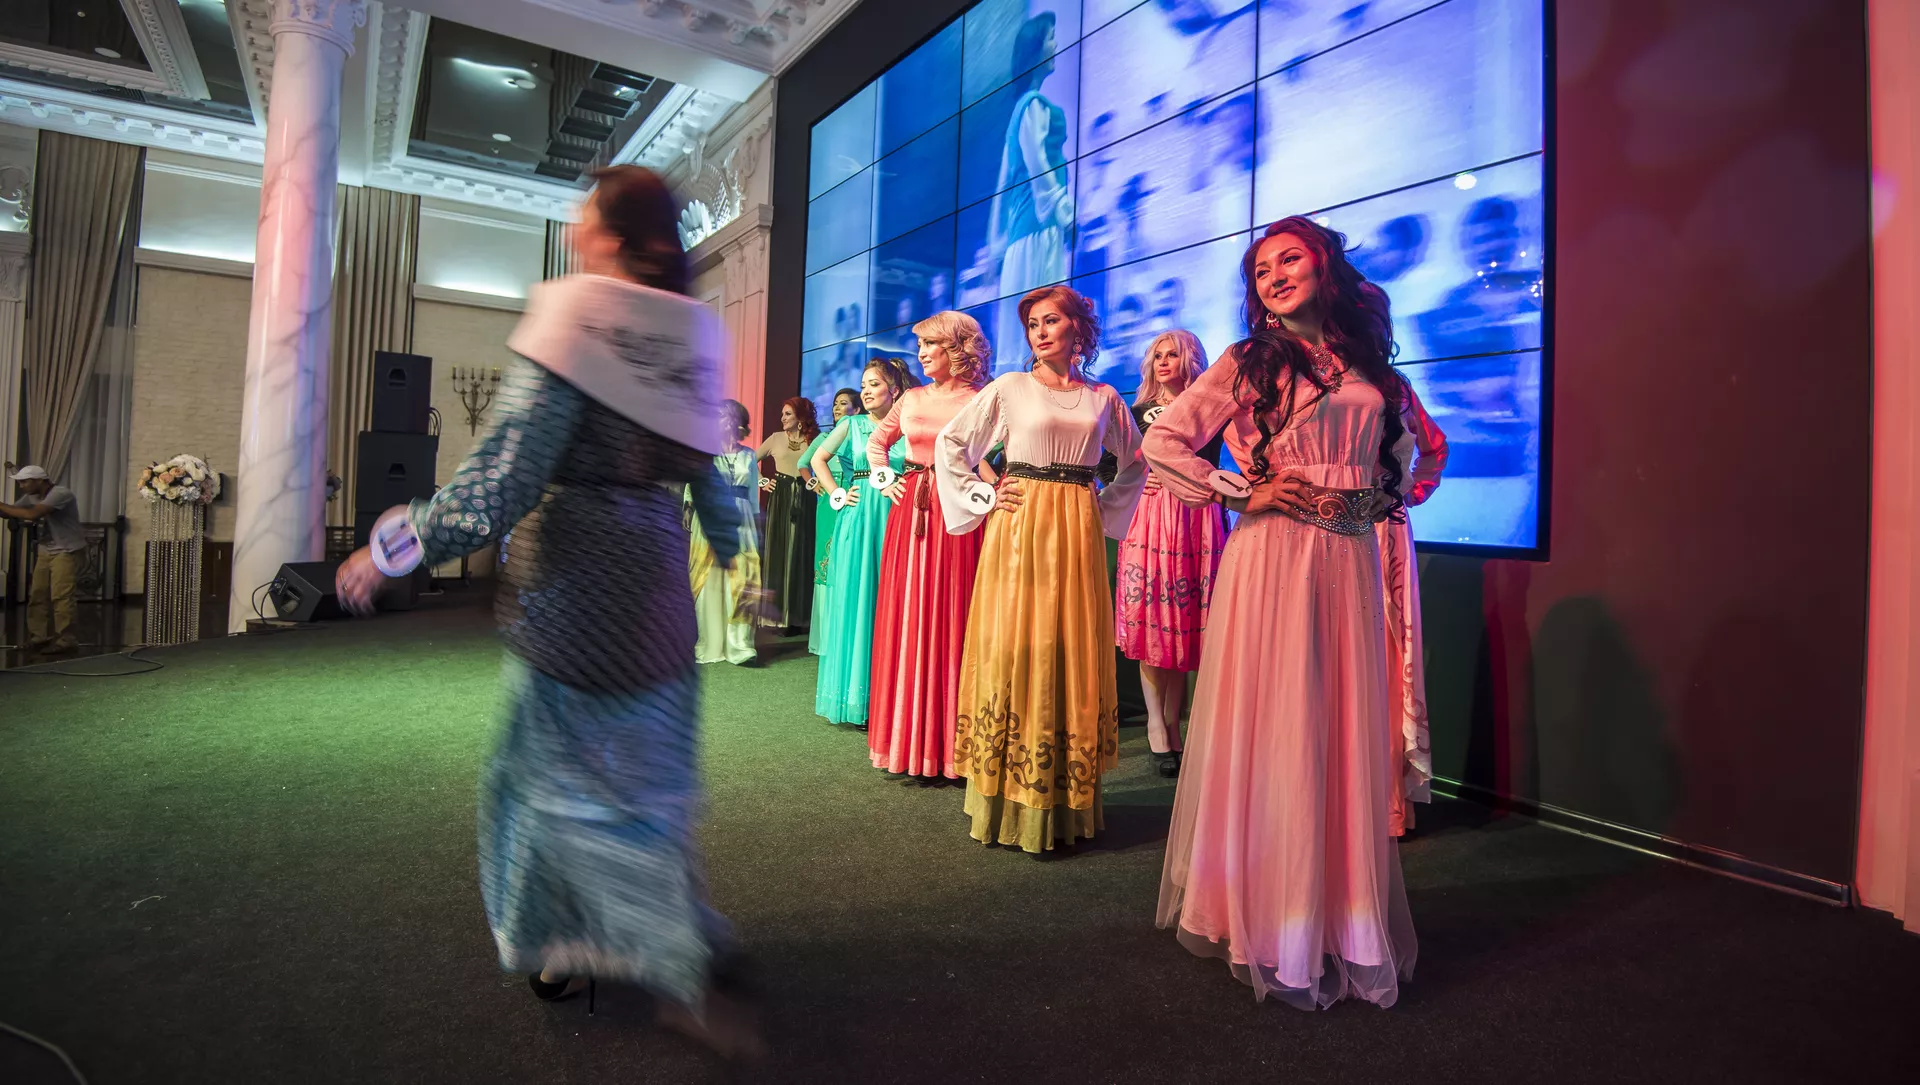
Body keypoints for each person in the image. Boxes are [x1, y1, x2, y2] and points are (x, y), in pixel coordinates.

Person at [332, 165, 760, 1056]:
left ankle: (603, 951)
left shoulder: (574, 318)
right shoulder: (688, 330)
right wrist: (740, 559)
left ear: (610, 233)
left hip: (570, 589)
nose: (572, 225)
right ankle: (672, 928)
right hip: (656, 587)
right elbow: (708, 475)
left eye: (582, 212)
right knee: (649, 779)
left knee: (547, 783)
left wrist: (395, 546)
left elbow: (503, 479)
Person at [1146, 216, 1418, 1009]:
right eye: (1261, 270)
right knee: (1279, 725)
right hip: (1271, 559)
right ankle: (1268, 913)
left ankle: (1341, 916)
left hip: (1347, 563)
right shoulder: (1248, 360)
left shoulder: (1368, 365)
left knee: (1338, 729)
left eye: (1289, 259)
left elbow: (1406, 453)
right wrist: (1240, 489)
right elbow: (1164, 441)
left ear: (1325, 266)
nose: (1274, 276)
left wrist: (1377, 499)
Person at [934, 285, 1147, 852]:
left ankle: (1063, 803)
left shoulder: (1103, 398)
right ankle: (1006, 800)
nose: (1041, 332)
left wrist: (1102, 510)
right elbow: (952, 443)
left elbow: (1136, 461)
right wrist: (983, 495)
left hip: (1076, 533)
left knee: (1068, 649)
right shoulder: (1010, 388)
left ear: (1079, 328)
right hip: (1020, 527)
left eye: (1051, 320)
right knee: (1015, 647)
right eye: (1032, 324)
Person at [865, 311, 992, 778]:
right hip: (911, 511)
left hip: (958, 512)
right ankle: (908, 740)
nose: (921, 352)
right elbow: (877, 444)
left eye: (931, 344)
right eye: (919, 344)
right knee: (909, 614)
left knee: (953, 613)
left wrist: (991, 492)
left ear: (956, 349)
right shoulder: (913, 398)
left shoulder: (980, 398)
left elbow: (999, 456)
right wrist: (885, 481)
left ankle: (950, 746)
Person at [1116, 331, 1227, 778]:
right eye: (1157, 355)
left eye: (1173, 354)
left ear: (1190, 359)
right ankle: (1156, 728)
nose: (1163, 362)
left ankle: (1174, 728)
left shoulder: (1211, 409)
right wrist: (1138, 483)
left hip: (1199, 518)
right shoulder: (1138, 412)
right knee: (1151, 620)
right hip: (1150, 519)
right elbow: (1113, 463)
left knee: (1183, 624)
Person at [809, 358, 913, 727]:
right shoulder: (851, 425)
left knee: (891, 601)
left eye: (874, 384)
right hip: (858, 517)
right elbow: (817, 459)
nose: (866, 391)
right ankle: (857, 698)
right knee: (857, 601)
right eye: (864, 385)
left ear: (894, 391)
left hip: (895, 516)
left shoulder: (907, 426)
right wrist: (837, 494)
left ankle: (890, 698)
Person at [1381, 383, 1447, 836]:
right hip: (1320, 527)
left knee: (1387, 655)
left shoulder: (1393, 386)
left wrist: (1410, 492)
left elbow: (1434, 447)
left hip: (1382, 528)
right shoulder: (1308, 378)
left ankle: (1387, 800)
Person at [691, 400, 763, 666]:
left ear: (736, 421)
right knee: (708, 578)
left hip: (741, 518)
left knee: (744, 577)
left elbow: (753, 496)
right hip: (710, 515)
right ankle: (710, 642)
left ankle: (741, 646)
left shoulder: (749, 455)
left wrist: (756, 526)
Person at [0, 466, 84, 657]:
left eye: (24, 482)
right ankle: (39, 637)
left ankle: (66, 640)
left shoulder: (60, 494)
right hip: (46, 550)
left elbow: (32, 514)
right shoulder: (31, 496)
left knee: (61, 596)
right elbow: (10, 512)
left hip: (67, 550)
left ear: (39, 480)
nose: (21, 486)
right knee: (37, 594)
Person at [800, 388, 860, 656]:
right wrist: (815, 484)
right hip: (829, 500)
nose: (836, 408)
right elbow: (804, 464)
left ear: (856, 410)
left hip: (854, 496)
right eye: (835, 403)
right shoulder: (824, 439)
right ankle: (824, 635)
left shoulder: (859, 436)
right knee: (824, 560)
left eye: (843, 403)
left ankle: (845, 632)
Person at [754, 396, 821, 634]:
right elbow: (749, 461)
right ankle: (778, 617)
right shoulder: (775, 438)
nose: (782, 418)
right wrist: (762, 481)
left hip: (806, 497)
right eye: (782, 414)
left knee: (802, 553)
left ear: (800, 417)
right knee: (780, 552)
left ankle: (798, 617)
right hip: (781, 497)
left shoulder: (815, 439)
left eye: (788, 414)